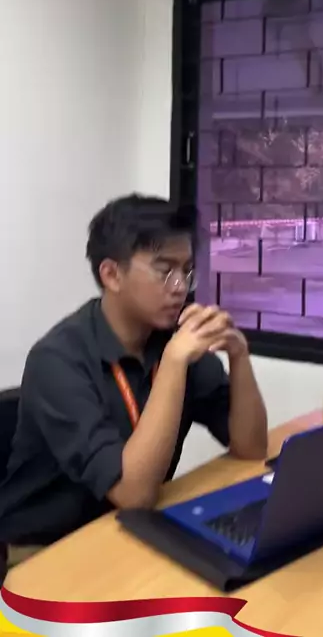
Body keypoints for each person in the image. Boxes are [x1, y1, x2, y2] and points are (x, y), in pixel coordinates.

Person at [0, 194, 268, 571]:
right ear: (112, 275)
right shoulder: (57, 360)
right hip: (43, 549)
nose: (180, 286)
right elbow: (134, 492)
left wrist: (239, 356)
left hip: (128, 527)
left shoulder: (170, 340)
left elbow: (251, 448)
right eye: (164, 270)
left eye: (187, 270)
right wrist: (174, 362)